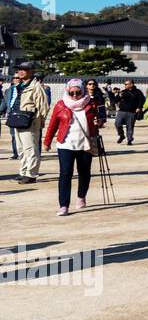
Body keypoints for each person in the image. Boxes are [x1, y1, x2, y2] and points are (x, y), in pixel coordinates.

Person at [42, 78, 99, 216]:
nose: (75, 95)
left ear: (83, 90)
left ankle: (81, 196)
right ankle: (63, 205)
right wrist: (47, 141)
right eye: (72, 92)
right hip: (65, 143)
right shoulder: (61, 104)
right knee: (65, 174)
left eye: (78, 92)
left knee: (84, 172)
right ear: (67, 91)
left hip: (85, 143)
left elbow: (98, 121)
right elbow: (53, 125)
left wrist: (99, 122)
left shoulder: (91, 104)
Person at [8, 61, 50, 183]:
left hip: (30, 121)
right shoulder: (18, 86)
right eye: (19, 69)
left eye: (24, 69)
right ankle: (23, 171)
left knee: (30, 149)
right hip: (17, 119)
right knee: (21, 149)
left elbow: (43, 106)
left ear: (31, 71)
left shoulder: (36, 86)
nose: (20, 71)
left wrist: (40, 121)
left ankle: (31, 174)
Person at [114, 78, 145, 144]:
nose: (125, 85)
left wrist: (139, 107)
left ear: (131, 84)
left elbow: (142, 100)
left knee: (130, 126)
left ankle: (129, 139)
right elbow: (115, 100)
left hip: (132, 112)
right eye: (124, 84)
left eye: (126, 84)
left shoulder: (138, 92)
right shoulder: (123, 91)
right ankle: (121, 135)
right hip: (121, 111)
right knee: (117, 124)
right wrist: (118, 96)